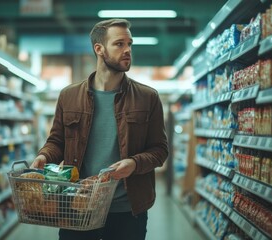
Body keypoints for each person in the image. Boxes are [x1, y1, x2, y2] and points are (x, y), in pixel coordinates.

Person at [31, 18, 169, 240]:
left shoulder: (147, 97)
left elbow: (160, 150)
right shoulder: (69, 96)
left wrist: (134, 164)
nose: (127, 50)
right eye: (119, 44)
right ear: (99, 49)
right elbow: (57, 141)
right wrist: (44, 156)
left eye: (130, 44)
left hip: (127, 210)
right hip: (77, 205)